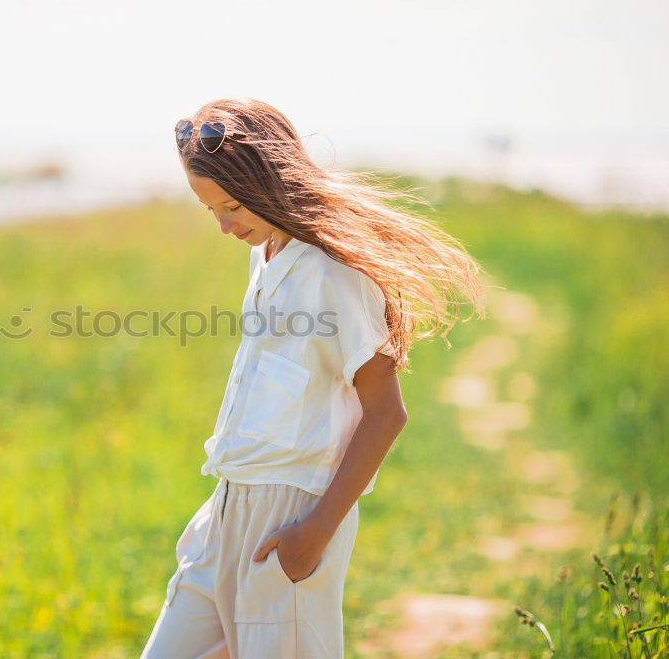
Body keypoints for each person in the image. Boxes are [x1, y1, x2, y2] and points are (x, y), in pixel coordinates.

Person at [140, 97, 487, 658]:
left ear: (266, 186)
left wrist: (315, 533)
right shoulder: (266, 254)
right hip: (225, 509)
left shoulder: (333, 272)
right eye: (211, 212)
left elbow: (386, 413)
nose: (224, 227)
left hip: (290, 518)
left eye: (231, 207)